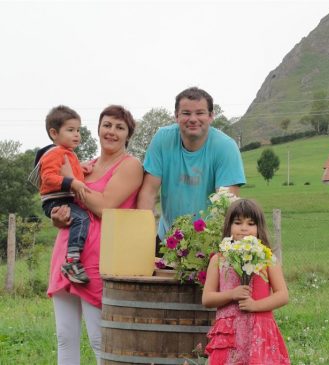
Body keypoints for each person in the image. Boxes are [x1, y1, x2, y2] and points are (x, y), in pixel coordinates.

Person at [47, 105, 143, 365]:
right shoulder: (84, 166)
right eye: (107, 125)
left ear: (127, 135)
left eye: (119, 127)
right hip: (67, 251)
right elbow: (62, 201)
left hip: (99, 257)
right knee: (65, 337)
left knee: (100, 339)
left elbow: (104, 206)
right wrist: (58, 217)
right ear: (98, 129)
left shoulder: (131, 166)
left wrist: (72, 181)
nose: (111, 132)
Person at [137, 87, 246, 255]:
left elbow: (226, 205)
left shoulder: (226, 147)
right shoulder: (162, 139)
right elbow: (149, 192)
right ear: (176, 116)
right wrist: (142, 237)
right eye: (186, 113)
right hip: (169, 239)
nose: (193, 119)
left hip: (209, 242)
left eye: (200, 113)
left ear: (211, 116)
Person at [202, 199, 290, 364]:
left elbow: (283, 295)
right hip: (229, 332)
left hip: (259, 331)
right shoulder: (218, 259)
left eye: (250, 223)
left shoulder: (267, 258)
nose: (244, 228)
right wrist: (231, 294)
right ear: (229, 226)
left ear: (259, 229)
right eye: (238, 222)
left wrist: (255, 306)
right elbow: (207, 298)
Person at [34, 105, 91, 284]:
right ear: (54, 133)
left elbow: (68, 171)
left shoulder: (68, 153)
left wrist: (82, 169)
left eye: (78, 130)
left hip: (63, 198)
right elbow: (49, 177)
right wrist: (72, 182)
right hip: (55, 201)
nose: (77, 134)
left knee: (80, 217)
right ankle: (72, 262)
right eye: (70, 130)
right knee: (81, 219)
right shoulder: (53, 153)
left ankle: (72, 260)